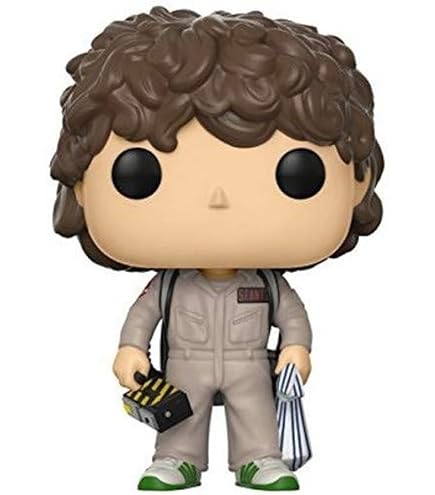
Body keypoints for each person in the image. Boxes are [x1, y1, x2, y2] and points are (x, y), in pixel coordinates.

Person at [50, 6, 383, 491]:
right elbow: (143, 315)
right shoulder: (169, 286)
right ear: (80, 186)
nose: (218, 200)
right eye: (140, 174)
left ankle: (260, 458)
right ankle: (176, 460)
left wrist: (296, 347)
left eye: (296, 174)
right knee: (182, 415)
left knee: (255, 411)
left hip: (250, 363)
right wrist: (131, 349)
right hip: (186, 362)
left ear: (358, 183)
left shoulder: (266, 283)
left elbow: (291, 316)